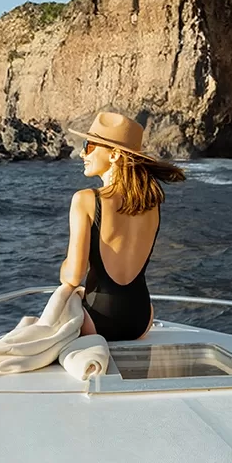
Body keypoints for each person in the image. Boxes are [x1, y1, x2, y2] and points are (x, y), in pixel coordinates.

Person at [59, 111, 186, 341]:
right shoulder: (152, 203)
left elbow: (72, 276)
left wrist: (64, 266)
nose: (81, 153)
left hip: (98, 320)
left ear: (115, 155)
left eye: (89, 146)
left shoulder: (87, 199)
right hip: (140, 319)